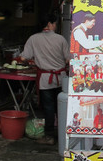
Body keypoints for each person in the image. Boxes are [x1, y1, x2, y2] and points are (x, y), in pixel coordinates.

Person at [20, 12, 70, 145]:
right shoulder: (61, 39)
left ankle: (49, 137)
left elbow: (24, 57)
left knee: (48, 108)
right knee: (62, 108)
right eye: (54, 23)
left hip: (45, 79)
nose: (55, 26)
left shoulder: (33, 39)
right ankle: (64, 136)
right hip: (61, 78)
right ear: (49, 24)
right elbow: (67, 59)